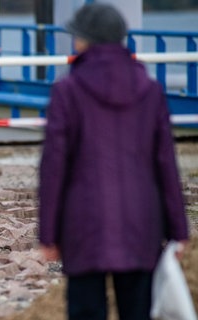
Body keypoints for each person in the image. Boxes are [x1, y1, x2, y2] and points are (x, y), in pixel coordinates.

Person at [38, 3, 190, 320]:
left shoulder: (67, 91)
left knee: (86, 312)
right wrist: (179, 228)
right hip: (142, 225)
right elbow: (166, 164)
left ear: (84, 40)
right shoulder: (150, 90)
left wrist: (48, 234)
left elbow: (54, 168)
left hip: (83, 227)